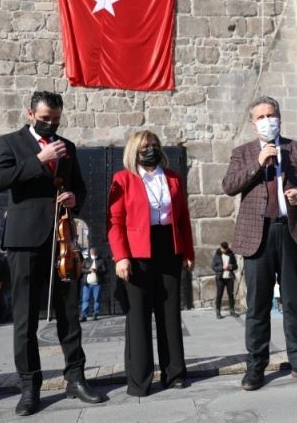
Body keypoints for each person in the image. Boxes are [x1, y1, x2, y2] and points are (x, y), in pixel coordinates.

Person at [0, 91, 104, 416]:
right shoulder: (9, 143)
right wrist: (38, 159)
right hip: (25, 241)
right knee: (24, 317)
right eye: (45, 118)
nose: (51, 124)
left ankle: (76, 378)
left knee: (69, 312)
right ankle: (29, 387)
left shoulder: (67, 147)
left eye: (56, 119)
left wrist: (72, 198)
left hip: (61, 240)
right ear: (30, 113)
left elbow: (79, 187)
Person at [222, 96, 297, 391]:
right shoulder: (242, 153)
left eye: (272, 114)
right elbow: (229, 186)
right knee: (257, 305)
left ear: (279, 117)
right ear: (252, 122)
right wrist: (257, 164)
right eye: (262, 116)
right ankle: (255, 367)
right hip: (258, 234)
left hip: (291, 230)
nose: (268, 120)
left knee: (295, 302)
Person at [108, 130, 195, 397]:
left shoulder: (173, 179)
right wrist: (121, 256)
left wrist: (188, 252)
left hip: (168, 246)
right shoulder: (124, 179)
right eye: (145, 146)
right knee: (138, 315)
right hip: (137, 252)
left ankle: (175, 373)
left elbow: (182, 219)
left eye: (154, 145)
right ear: (134, 150)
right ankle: (139, 380)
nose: (150, 150)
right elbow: (114, 222)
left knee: (170, 312)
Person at [211, 241, 239, 319]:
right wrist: (222, 268)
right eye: (223, 249)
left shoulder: (231, 254)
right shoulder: (217, 255)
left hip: (229, 277)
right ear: (220, 247)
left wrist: (231, 266)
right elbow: (213, 267)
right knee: (219, 295)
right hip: (220, 278)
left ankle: (232, 310)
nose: (225, 251)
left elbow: (236, 266)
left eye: (226, 249)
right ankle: (218, 312)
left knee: (231, 295)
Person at [80, 247, 108, 322]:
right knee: (85, 300)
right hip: (87, 284)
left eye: (95, 254)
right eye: (92, 254)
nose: (93, 255)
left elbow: (105, 271)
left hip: (97, 284)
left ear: (97, 254)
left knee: (97, 300)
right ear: (90, 254)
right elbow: (81, 269)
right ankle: (84, 315)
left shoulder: (101, 261)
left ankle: (95, 314)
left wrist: (97, 271)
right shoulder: (86, 260)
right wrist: (88, 270)